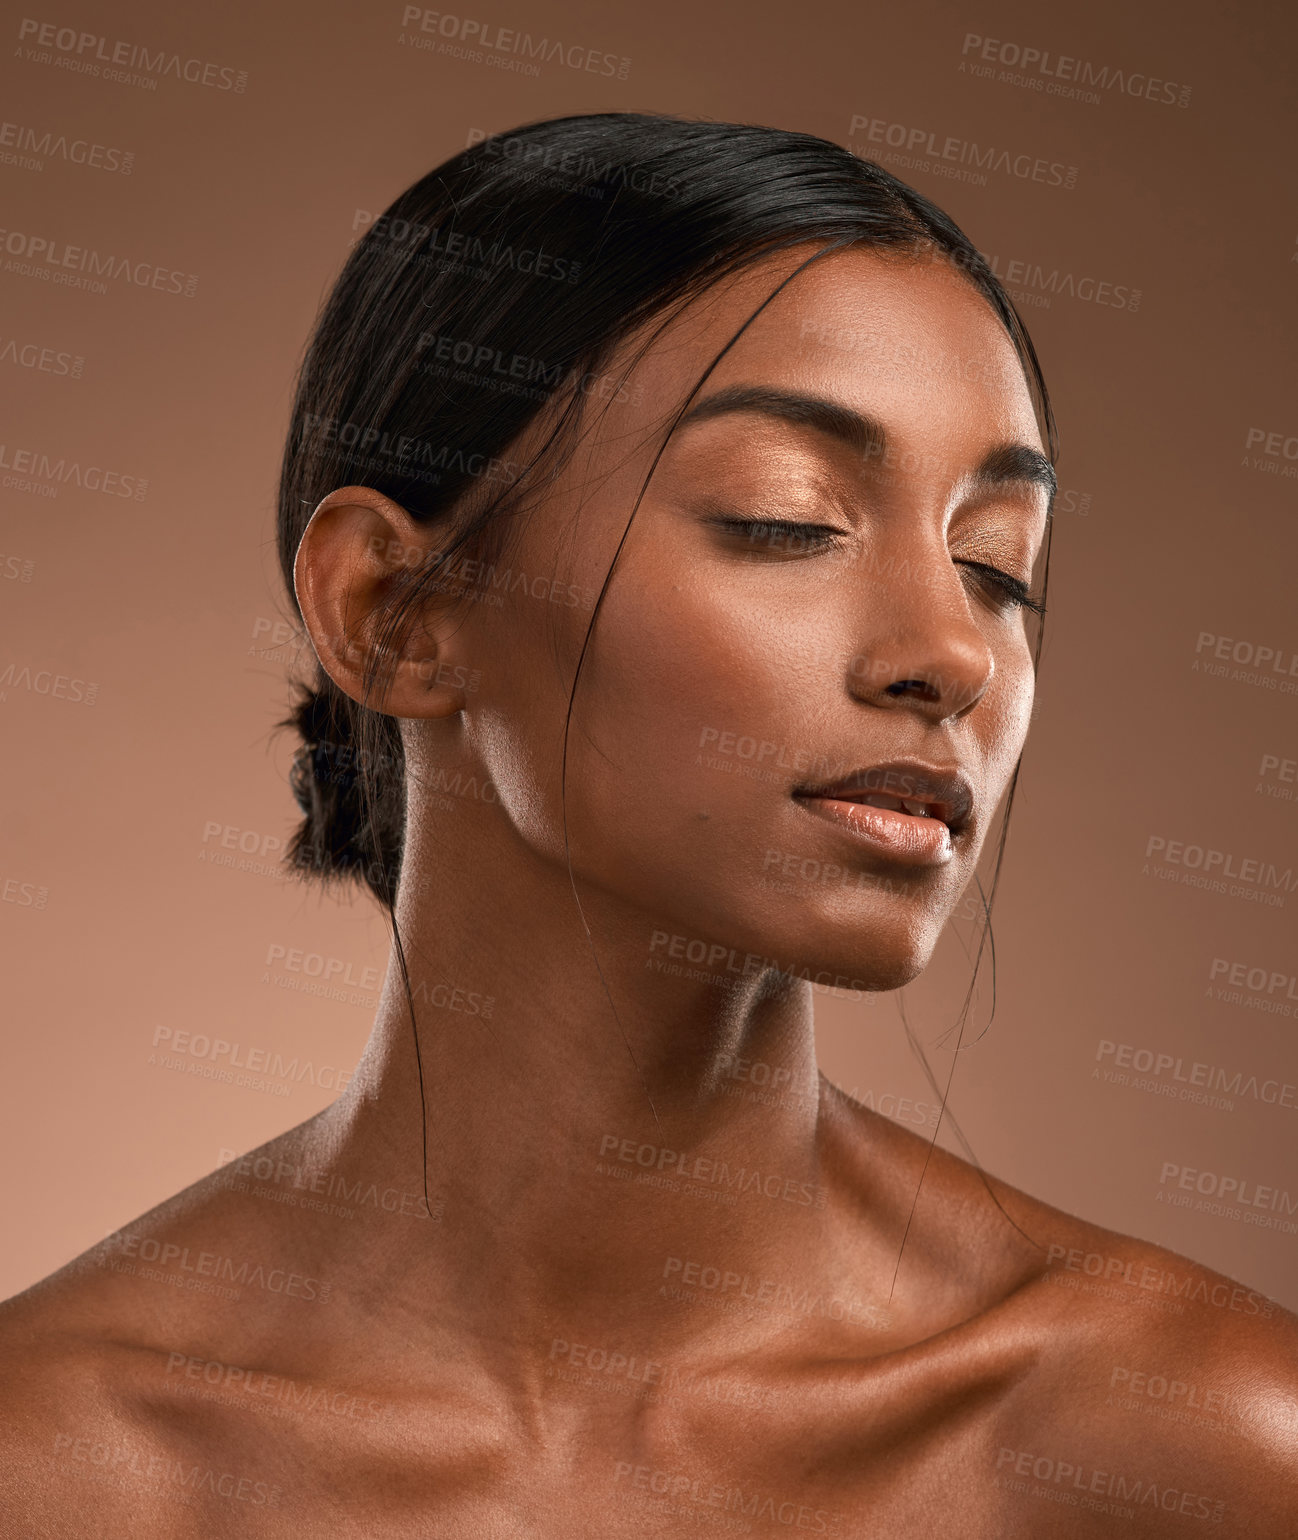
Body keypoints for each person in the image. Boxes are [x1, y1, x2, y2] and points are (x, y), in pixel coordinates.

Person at [2, 113, 1294, 1535]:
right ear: (394, 613)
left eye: (997, 563)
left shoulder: (1197, 1443)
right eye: (786, 519)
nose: (955, 651)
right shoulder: (61, 1467)